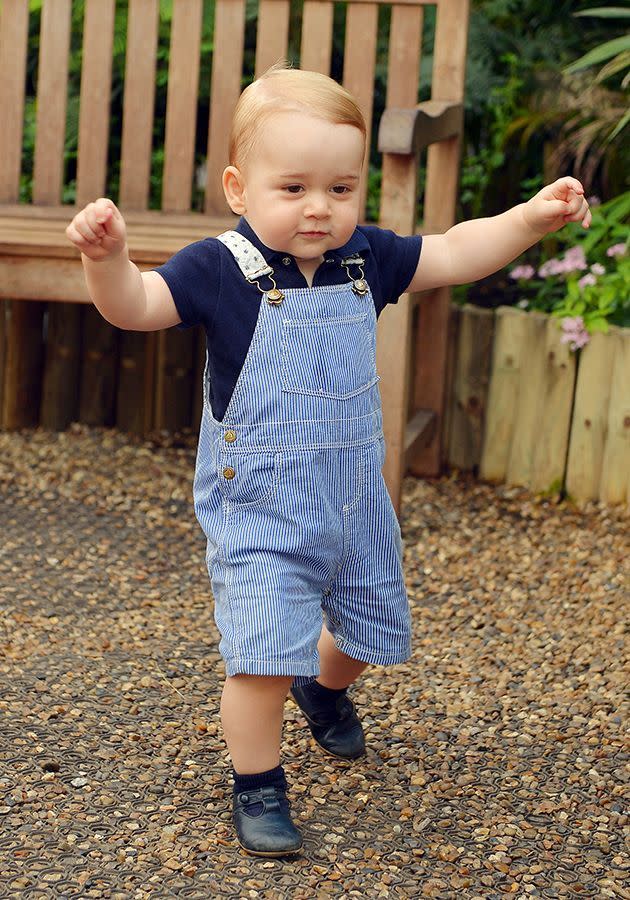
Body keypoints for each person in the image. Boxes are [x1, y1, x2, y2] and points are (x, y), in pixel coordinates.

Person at [65, 64, 591, 858]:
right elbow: (134, 307)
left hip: (351, 494)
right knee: (260, 657)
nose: (320, 208)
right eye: (295, 189)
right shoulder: (218, 268)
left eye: (341, 189)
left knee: (370, 628)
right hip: (260, 506)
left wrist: (525, 218)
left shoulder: (365, 259)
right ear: (239, 189)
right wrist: (107, 259)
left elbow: (452, 252)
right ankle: (258, 785)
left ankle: (325, 687)